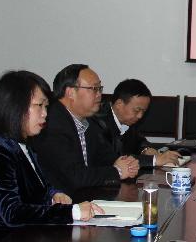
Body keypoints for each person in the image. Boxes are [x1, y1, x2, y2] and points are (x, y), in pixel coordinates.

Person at [0, 70, 103, 242]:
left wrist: (53, 195)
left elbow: (37, 187)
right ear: (16, 107)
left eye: (46, 106)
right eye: (39, 106)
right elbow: (12, 213)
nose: (45, 114)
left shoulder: (23, 145)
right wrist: (71, 212)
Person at [31, 64, 141, 197]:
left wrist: (127, 164)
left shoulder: (89, 121)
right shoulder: (52, 123)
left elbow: (106, 157)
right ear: (70, 92)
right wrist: (117, 171)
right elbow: (74, 176)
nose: (99, 94)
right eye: (94, 89)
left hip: (85, 198)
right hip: (59, 202)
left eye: (100, 88)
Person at [92, 78, 181, 168]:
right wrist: (154, 160)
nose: (140, 116)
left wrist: (146, 149)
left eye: (143, 111)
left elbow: (138, 141)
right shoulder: (98, 123)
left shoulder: (128, 120)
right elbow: (114, 159)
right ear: (119, 104)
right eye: (137, 110)